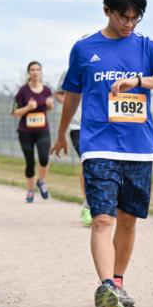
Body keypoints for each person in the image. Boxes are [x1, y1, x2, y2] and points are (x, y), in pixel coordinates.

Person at [51, 0, 153, 307]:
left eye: (135, 18)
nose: (129, 24)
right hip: (98, 145)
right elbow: (73, 94)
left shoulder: (146, 47)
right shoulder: (84, 49)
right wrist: (62, 133)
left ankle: (118, 281)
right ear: (106, 10)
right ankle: (106, 285)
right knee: (102, 219)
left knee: (128, 220)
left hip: (139, 149)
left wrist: (139, 81)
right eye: (123, 17)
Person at [13, 61, 54, 203]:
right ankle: (30, 190)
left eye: (38, 69)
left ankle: (41, 181)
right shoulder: (23, 91)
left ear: (41, 72)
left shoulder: (47, 90)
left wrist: (50, 106)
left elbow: (49, 107)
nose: (35, 72)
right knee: (29, 163)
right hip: (26, 131)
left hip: (42, 130)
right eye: (32, 69)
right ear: (28, 73)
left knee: (44, 158)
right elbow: (15, 112)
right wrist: (28, 108)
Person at [55, 67, 92, 225]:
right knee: (88, 163)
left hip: (97, 125)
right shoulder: (71, 70)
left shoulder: (106, 65)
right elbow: (59, 93)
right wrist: (72, 101)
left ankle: (100, 203)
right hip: (77, 126)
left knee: (97, 164)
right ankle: (87, 205)